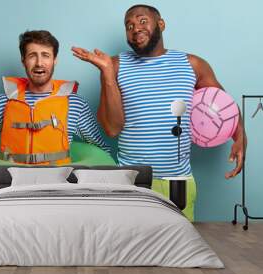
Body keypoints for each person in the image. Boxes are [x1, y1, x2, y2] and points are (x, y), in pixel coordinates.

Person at [72, 4, 246, 179]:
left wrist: (240, 137)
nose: (136, 29)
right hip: (131, 180)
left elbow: (225, 106)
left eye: (142, 21)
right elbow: (111, 129)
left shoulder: (193, 65)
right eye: (129, 26)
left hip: (179, 181)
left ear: (161, 24)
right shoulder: (115, 65)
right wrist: (107, 73)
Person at [0, 30, 110, 184]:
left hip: (59, 187)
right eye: (32, 56)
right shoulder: (4, 101)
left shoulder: (75, 104)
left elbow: (99, 148)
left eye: (45, 55)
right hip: (10, 185)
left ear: (55, 60)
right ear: (23, 60)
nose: (39, 63)